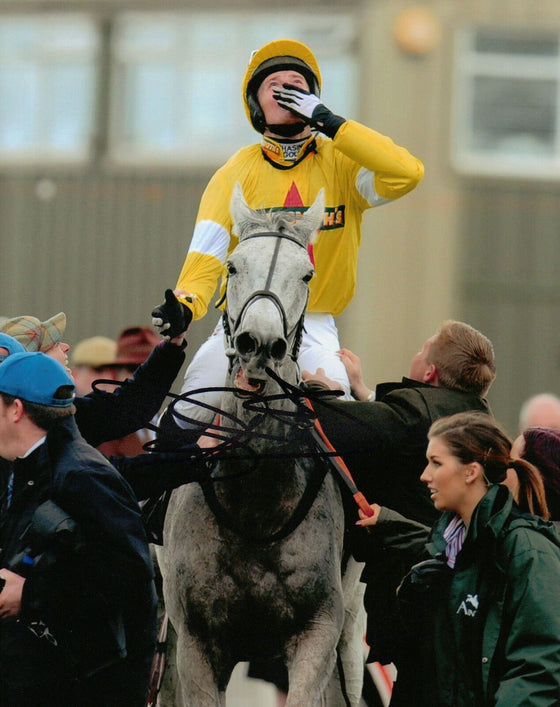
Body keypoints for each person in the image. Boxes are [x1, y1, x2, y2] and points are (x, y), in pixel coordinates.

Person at [151, 38, 424, 435]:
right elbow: (206, 257)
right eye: (274, 85)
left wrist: (331, 123)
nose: (286, 91)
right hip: (238, 320)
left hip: (313, 324)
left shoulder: (345, 166)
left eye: (297, 85)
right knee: (187, 415)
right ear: (255, 105)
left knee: (342, 430)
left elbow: (407, 173)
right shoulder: (233, 172)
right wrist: (186, 306)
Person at [301, 320, 496, 666]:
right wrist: (363, 391)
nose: (417, 354)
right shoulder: (479, 421)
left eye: (422, 350)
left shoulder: (415, 413)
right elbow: (399, 429)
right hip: (466, 601)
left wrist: (320, 391)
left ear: (430, 372)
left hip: (416, 597)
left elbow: (339, 430)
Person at [0, 352, 157, 706]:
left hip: (84, 689)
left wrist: (30, 596)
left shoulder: (81, 475)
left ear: (16, 409)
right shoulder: (27, 468)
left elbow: (130, 578)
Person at [381, 411, 560, 706]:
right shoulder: (448, 548)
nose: (424, 475)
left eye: (436, 463)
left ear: (471, 471)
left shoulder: (525, 548)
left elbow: (540, 664)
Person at [96, 326, 162, 459]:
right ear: (115, 375)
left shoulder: (177, 426)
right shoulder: (101, 435)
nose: (143, 379)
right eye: (133, 369)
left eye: (152, 371)